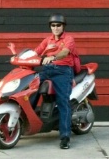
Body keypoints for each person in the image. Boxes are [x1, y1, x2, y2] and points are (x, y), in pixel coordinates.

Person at [34, 14, 76, 150]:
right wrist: (19, 57)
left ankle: (65, 137)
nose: (56, 28)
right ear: (50, 27)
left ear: (63, 26)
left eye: (58, 25)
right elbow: (36, 52)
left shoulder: (69, 39)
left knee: (63, 101)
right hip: (47, 70)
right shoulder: (47, 40)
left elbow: (64, 52)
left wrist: (53, 57)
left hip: (63, 71)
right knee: (29, 87)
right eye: (53, 25)